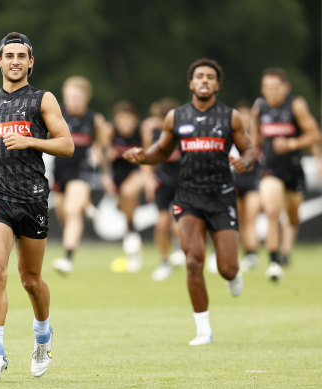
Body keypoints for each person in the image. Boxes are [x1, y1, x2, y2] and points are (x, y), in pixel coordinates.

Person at [0, 32, 73, 381]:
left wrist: (29, 140)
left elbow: (67, 145)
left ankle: (43, 336)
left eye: (21, 56)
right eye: (8, 55)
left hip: (33, 197)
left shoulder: (43, 99)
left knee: (30, 280)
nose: (14, 61)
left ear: (30, 62)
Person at [124, 58, 255, 346]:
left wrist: (245, 161)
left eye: (210, 77)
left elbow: (249, 148)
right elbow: (161, 150)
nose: (205, 81)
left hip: (221, 195)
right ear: (191, 83)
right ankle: (203, 330)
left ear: (217, 85)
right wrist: (142, 156)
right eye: (200, 77)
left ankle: (233, 276)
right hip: (188, 196)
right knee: (193, 260)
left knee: (227, 268)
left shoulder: (230, 117)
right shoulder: (176, 117)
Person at [251, 68, 321, 281]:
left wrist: (291, 143)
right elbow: (256, 140)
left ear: (285, 87)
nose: (271, 91)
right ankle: (274, 262)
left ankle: (286, 249)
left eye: (275, 87)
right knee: (272, 211)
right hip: (270, 169)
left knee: (292, 216)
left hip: (293, 169)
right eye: (267, 87)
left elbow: (314, 134)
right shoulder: (259, 109)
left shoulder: (295, 105)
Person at [51, 75, 110, 275]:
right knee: (63, 213)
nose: (73, 101)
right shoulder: (56, 115)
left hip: (81, 171)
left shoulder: (95, 119)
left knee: (71, 210)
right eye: (69, 96)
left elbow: (103, 145)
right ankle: (85, 205)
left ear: (86, 98)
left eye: (77, 97)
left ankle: (67, 259)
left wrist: (98, 153)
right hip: (60, 171)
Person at [139, 98, 185, 281]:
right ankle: (164, 262)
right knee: (161, 223)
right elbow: (146, 157)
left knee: (179, 221)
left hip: (183, 180)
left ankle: (180, 250)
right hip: (163, 181)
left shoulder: (184, 132)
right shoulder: (154, 133)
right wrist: (149, 179)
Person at [102, 101, 146, 273]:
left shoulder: (141, 132)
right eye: (122, 120)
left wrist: (147, 177)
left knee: (129, 191)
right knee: (126, 208)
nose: (126, 124)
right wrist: (105, 176)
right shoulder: (111, 131)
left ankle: (131, 234)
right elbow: (103, 156)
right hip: (117, 177)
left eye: (129, 120)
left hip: (136, 173)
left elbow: (149, 154)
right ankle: (132, 236)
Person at [232, 101, 262, 272]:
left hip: (252, 181)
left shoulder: (255, 134)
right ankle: (246, 252)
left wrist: (253, 121)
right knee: (240, 220)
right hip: (236, 181)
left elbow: (254, 146)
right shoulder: (230, 136)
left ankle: (252, 253)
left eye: (246, 115)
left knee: (251, 219)